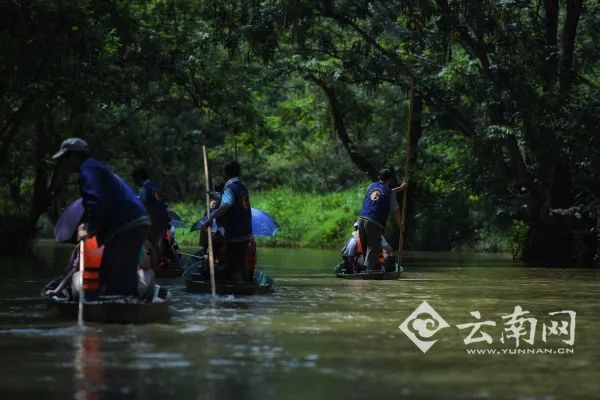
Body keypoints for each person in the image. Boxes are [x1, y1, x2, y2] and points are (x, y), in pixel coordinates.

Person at [52, 138, 150, 298]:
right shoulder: (95, 167)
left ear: (74, 156)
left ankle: (118, 311)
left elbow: (96, 202)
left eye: (64, 159)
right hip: (134, 221)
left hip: (128, 223)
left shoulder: (88, 170)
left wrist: (88, 228)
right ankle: (124, 307)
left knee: (113, 273)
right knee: (115, 272)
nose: (63, 164)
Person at [203, 161, 252, 283]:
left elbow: (226, 205)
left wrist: (211, 218)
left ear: (225, 173)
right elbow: (233, 201)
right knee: (241, 263)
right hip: (246, 233)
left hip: (234, 233)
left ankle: (239, 294)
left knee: (234, 269)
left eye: (222, 171)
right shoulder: (242, 187)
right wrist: (217, 195)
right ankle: (247, 288)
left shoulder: (229, 188)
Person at [357, 168, 407, 272]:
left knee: (365, 246)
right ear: (390, 179)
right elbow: (396, 211)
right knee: (374, 246)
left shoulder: (371, 186)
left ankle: (363, 268)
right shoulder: (389, 194)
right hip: (373, 222)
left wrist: (400, 188)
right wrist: (401, 225)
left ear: (379, 177)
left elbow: (385, 193)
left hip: (361, 219)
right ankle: (369, 271)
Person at [131, 168, 170, 261]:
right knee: (156, 243)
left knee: (149, 243)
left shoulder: (143, 188)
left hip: (154, 219)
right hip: (163, 218)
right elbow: (161, 200)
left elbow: (140, 205)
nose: (134, 182)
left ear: (140, 178)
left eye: (135, 179)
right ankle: (158, 265)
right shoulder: (154, 185)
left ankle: (153, 267)